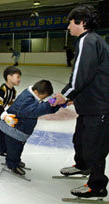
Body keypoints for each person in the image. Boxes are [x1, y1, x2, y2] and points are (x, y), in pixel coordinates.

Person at [52, 5, 109, 199]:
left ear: (81, 22)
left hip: (99, 106)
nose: (68, 27)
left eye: (70, 23)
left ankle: (97, 185)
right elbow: (91, 75)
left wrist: (65, 94)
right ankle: (83, 166)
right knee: (81, 140)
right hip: (89, 104)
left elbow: (80, 75)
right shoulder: (92, 40)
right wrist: (74, 97)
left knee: (95, 147)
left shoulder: (88, 40)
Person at [0, 80, 60, 175]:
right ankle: (12, 164)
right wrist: (55, 103)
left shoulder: (30, 94)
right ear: (36, 92)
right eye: (43, 97)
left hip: (18, 129)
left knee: (18, 147)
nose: (43, 99)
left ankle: (15, 160)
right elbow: (41, 109)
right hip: (14, 130)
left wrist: (54, 99)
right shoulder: (26, 102)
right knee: (14, 149)